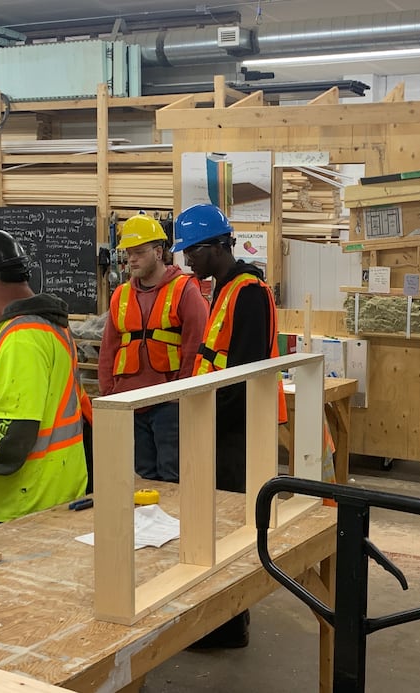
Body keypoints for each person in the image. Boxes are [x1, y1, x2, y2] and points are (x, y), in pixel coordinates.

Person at [172, 203, 285, 649]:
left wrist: (210, 420)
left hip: (236, 428)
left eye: (192, 251)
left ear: (217, 247)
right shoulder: (224, 288)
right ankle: (218, 619)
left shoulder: (249, 292)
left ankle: (231, 623)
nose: (186, 261)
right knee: (214, 524)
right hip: (219, 423)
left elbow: (246, 370)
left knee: (231, 526)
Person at [0, 229, 88, 527]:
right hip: (51, 488)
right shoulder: (49, 326)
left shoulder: (21, 338)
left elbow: (15, 434)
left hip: (21, 501)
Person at [98, 213, 208, 482]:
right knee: (143, 477)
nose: (132, 259)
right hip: (130, 401)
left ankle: (174, 524)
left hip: (168, 402)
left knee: (173, 475)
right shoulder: (120, 295)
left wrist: (182, 393)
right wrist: (109, 392)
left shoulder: (185, 290)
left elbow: (196, 346)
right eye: (128, 253)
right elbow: (109, 348)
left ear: (159, 252)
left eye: (139, 252)